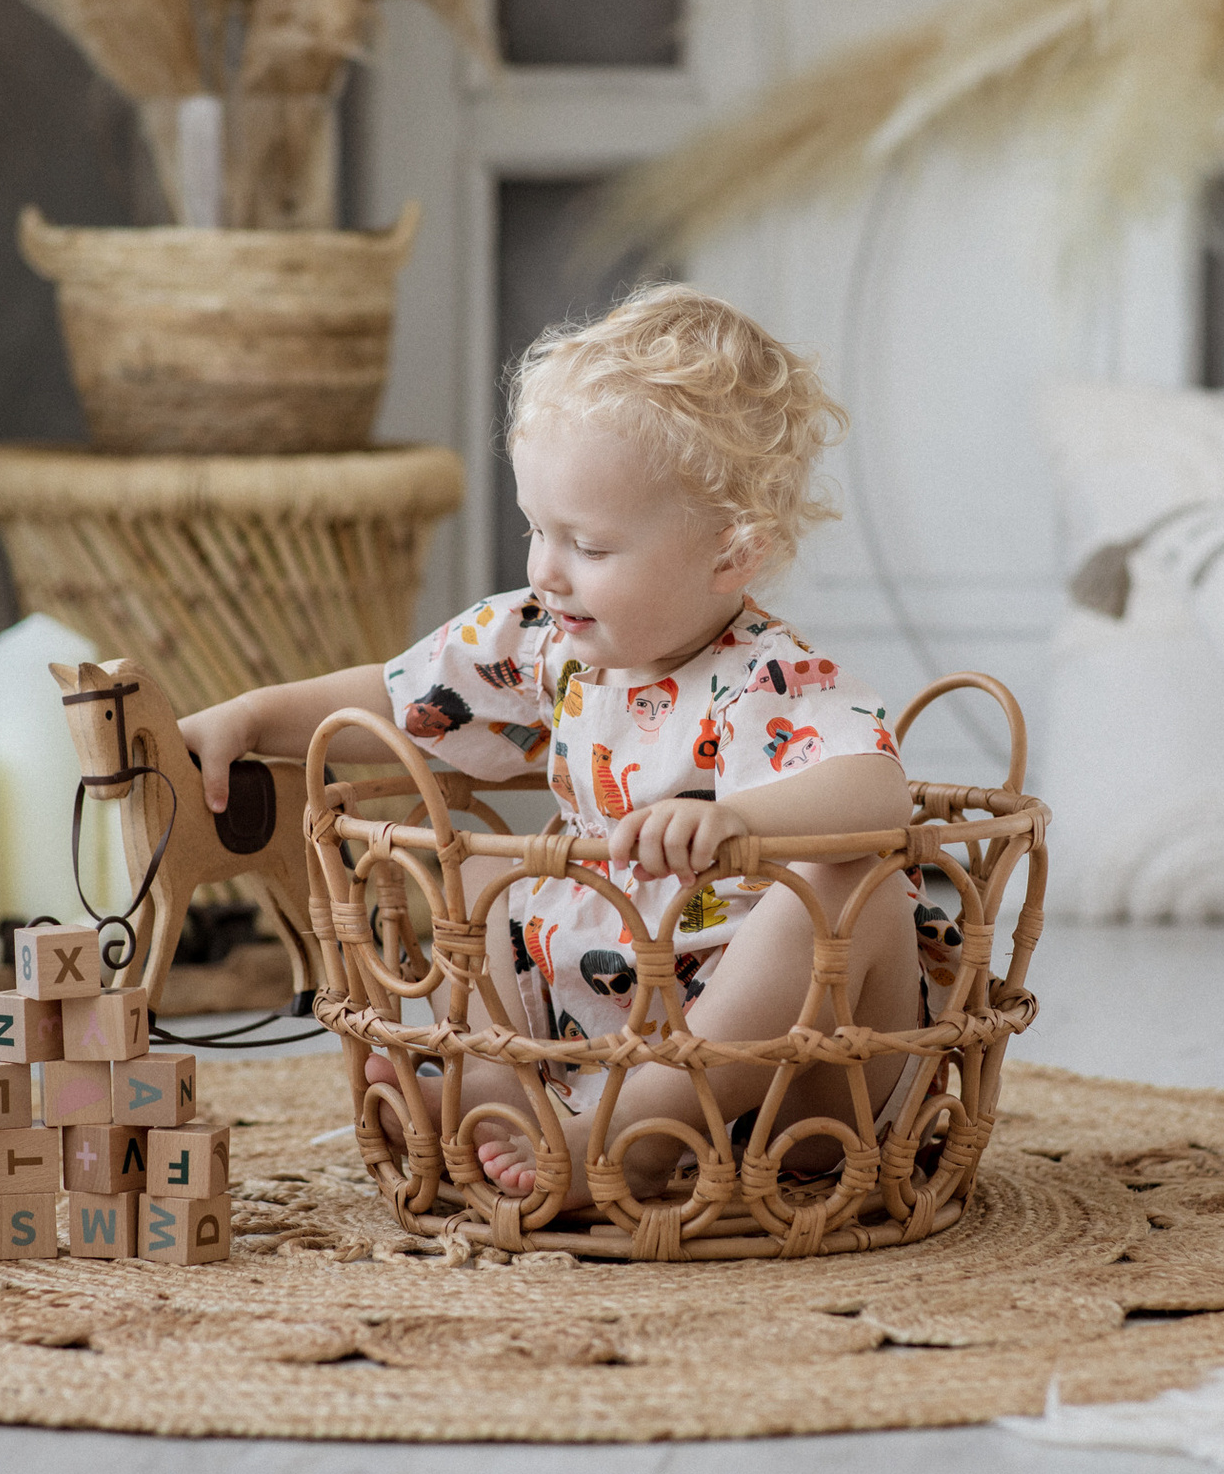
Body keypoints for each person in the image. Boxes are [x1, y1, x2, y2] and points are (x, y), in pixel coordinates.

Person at [180, 284, 942, 1208]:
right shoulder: (549, 643)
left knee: (842, 891)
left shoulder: (768, 680)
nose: (545, 568)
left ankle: (634, 1141)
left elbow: (877, 792)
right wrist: (256, 717)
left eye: (588, 544)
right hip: (603, 1036)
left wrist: (738, 817)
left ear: (732, 555)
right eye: (537, 527)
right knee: (470, 883)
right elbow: (397, 697)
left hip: (799, 1083)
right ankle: (507, 1089)